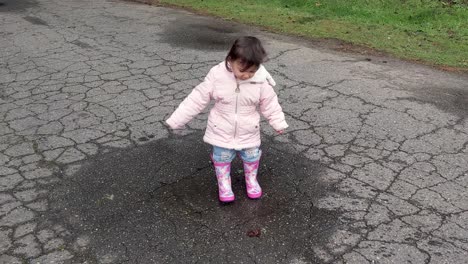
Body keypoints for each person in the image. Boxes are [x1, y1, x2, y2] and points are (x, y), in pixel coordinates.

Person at [165, 36, 288, 203]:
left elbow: (270, 103)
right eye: (242, 70)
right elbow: (197, 98)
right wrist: (177, 119)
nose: (247, 75)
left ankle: (251, 180)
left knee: (252, 156)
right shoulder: (217, 76)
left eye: (252, 71)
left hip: (248, 130)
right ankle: (224, 183)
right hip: (221, 128)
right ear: (231, 60)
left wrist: (278, 122)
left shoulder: (260, 81)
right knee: (222, 157)